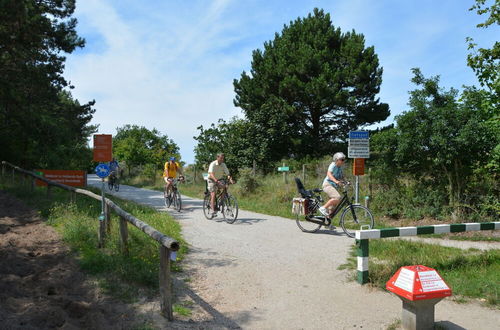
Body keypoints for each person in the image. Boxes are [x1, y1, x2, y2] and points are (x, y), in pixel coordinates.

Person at [319, 152, 347, 217]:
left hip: (333, 186)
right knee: (337, 197)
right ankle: (323, 208)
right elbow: (329, 174)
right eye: (342, 159)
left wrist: (345, 182)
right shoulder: (333, 165)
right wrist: (336, 181)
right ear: (337, 160)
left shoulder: (339, 168)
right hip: (327, 185)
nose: (343, 161)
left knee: (332, 208)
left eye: (344, 159)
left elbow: (341, 177)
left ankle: (327, 223)